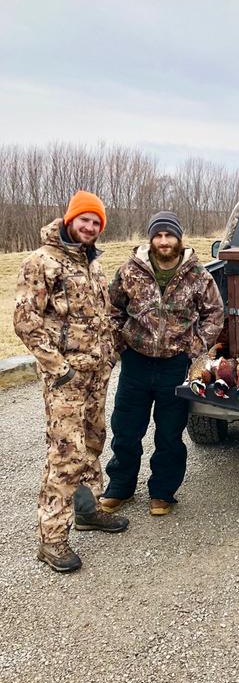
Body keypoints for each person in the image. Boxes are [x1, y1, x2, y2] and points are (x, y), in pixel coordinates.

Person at [14, 191, 129, 573]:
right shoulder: (42, 262)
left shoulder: (92, 264)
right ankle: (52, 541)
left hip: (96, 375)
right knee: (66, 456)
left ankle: (87, 510)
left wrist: (110, 353)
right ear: (69, 220)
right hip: (66, 380)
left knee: (94, 442)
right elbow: (26, 322)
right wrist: (59, 368)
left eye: (96, 223)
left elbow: (100, 317)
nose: (90, 227)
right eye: (85, 220)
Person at [100, 211, 224, 516]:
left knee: (169, 434)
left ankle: (162, 493)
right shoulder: (130, 271)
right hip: (136, 364)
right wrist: (120, 344)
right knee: (126, 430)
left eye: (169, 235)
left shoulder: (197, 274)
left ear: (179, 239)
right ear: (151, 238)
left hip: (174, 366)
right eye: (159, 235)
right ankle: (120, 488)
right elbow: (112, 309)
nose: (164, 241)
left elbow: (215, 314)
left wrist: (193, 348)